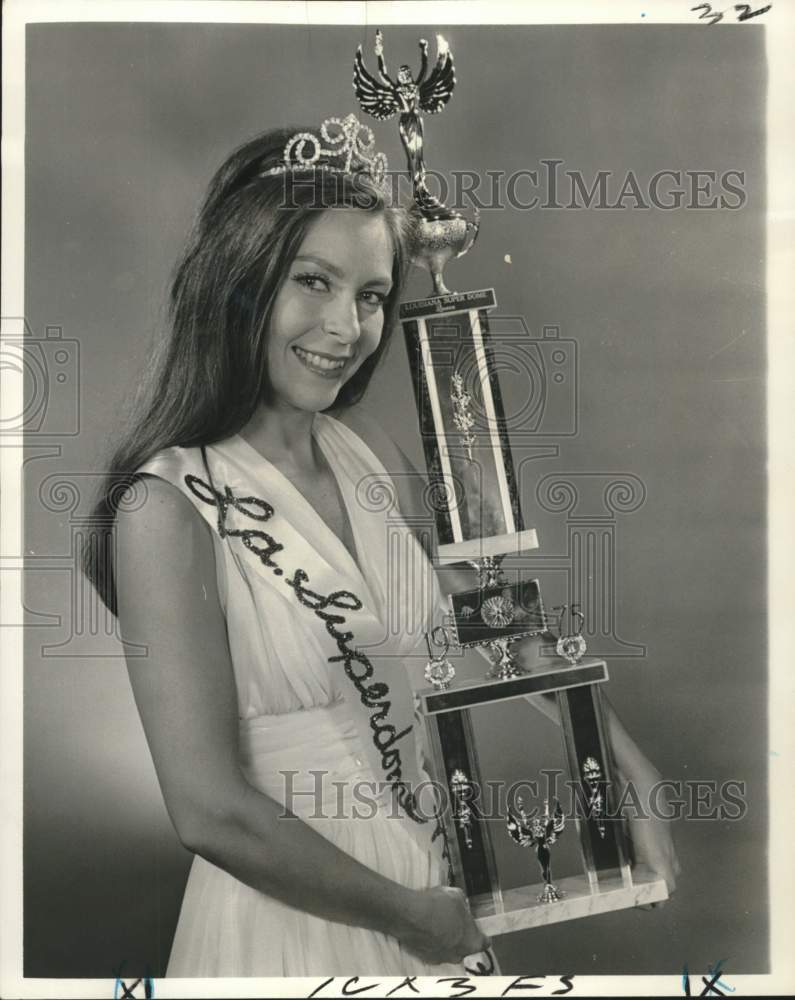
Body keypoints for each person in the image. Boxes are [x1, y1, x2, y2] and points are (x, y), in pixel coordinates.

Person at [82, 116, 678, 978]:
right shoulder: (166, 505)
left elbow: (485, 623)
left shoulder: (369, 456)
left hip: (425, 874)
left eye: (369, 295)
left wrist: (630, 768)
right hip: (296, 914)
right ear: (240, 286)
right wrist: (408, 917)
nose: (346, 327)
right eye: (313, 282)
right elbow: (208, 810)